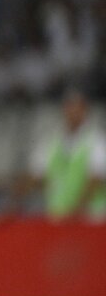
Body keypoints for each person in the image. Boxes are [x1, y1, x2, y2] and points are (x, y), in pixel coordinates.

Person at [17, 88, 106, 219]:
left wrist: (77, 209)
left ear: (85, 111)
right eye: (69, 107)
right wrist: (19, 194)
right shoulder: (51, 142)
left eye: (77, 108)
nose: (72, 112)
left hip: (90, 218)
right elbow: (36, 176)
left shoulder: (97, 141)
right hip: (59, 215)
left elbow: (97, 179)